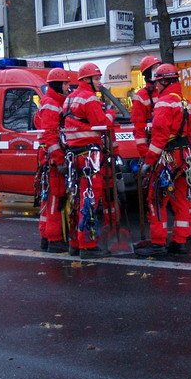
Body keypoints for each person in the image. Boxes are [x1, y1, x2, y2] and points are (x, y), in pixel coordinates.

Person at [135, 63, 191, 257]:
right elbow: (189, 133)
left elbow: (160, 135)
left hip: (167, 157)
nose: (156, 87)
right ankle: (179, 242)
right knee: (181, 199)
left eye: (158, 83)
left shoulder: (164, 103)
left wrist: (149, 161)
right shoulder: (186, 102)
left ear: (163, 81)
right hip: (184, 156)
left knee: (156, 199)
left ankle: (158, 242)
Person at [61, 62, 116, 257]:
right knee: (90, 199)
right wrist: (110, 113)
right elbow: (101, 124)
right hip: (89, 157)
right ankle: (87, 245)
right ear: (87, 80)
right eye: (96, 78)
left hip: (74, 156)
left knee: (76, 199)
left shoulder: (69, 99)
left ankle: (75, 243)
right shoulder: (89, 99)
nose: (99, 82)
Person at [34, 68, 71, 253]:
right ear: (57, 85)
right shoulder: (51, 103)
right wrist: (59, 159)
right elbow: (50, 135)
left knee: (48, 198)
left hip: (48, 157)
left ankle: (46, 236)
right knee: (55, 197)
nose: (67, 87)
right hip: (52, 159)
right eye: (65, 84)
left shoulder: (53, 102)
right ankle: (55, 239)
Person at [130, 55, 161, 160]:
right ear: (148, 72)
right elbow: (139, 127)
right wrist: (145, 155)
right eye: (155, 68)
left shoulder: (166, 91)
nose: (159, 70)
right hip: (152, 144)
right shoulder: (141, 96)